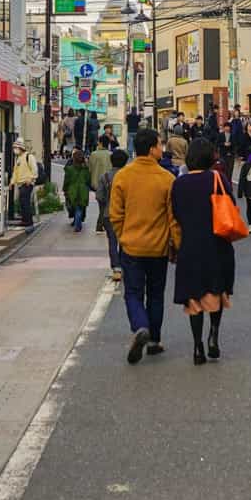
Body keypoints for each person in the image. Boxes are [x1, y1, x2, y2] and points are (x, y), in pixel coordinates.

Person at [109, 128, 180, 363]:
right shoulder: (167, 178)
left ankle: (140, 326)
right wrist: (176, 245)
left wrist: (123, 236)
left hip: (131, 247)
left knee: (133, 293)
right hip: (158, 248)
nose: (162, 149)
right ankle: (154, 340)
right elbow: (173, 218)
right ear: (151, 149)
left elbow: (115, 214)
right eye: (159, 145)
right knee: (156, 294)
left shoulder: (123, 176)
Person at [171, 139, 237, 365]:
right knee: (216, 292)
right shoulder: (218, 179)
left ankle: (197, 346)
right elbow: (232, 205)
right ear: (210, 157)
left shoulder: (179, 184)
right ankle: (213, 336)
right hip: (217, 244)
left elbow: (176, 215)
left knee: (194, 299)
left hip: (190, 246)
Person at [97, 148, 128, 282]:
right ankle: (124, 265)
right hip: (127, 214)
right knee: (125, 241)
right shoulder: (129, 176)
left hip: (109, 213)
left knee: (112, 241)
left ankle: (116, 268)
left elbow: (100, 197)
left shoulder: (104, 177)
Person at [10, 139, 39, 227]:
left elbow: (34, 169)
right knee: (22, 202)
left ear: (20, 148)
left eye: (16, 148)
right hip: (20, 184)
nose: (14, 149)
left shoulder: (29, 157)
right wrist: (12, 182)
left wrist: (30, 179)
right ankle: (25, 220)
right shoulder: (18, 158)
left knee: (25, 202)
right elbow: (15, 172)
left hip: (27, 183)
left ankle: (28, 221)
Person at [88, 139, 114, 232]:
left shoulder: (93, 154)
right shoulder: (111, 154)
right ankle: (103, 223)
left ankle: (100, 224)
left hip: (97, 182)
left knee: (102, 204)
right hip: (111, 181)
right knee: (108, 203)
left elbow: (89, 169)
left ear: (101, 143)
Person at [63, 150, 91, 232]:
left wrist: (65, 189)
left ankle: (77, 223)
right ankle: (77, 222)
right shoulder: (86, 169)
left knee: (75, 207)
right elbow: (88, 180)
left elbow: (66, 181)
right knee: (80, 207)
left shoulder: (69, 169)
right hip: (83, 190)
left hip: (72, 190)